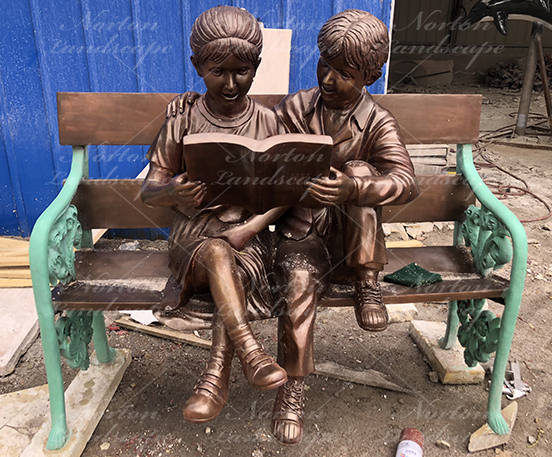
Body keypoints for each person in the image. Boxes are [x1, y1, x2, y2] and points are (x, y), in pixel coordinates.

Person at [269, 10, 419, 445]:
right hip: (300, 237)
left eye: (345, 73)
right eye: (325, 65)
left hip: (351, 244)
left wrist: (354, 187)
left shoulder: (376, 121)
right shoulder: (294, 107)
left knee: (360, 173)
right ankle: (292, 389)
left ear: (370, 76)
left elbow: (405, 181)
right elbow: (261, 156)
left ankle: (367, 281)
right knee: (296, 287)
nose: (329, 79)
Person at [140, 5, 288, 425]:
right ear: (196, 67)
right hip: (193, 236)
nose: (229, 82)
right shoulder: (183, 118)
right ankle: (250, 351)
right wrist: (171, 190)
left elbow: (288, 191)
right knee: (218, 253)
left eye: (242, 71)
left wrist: (252, 226)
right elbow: (149, 190)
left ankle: (215, 379)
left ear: (256, 67)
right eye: (216, 71)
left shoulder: (267, 120)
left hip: (249, 236)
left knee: (230, 262)